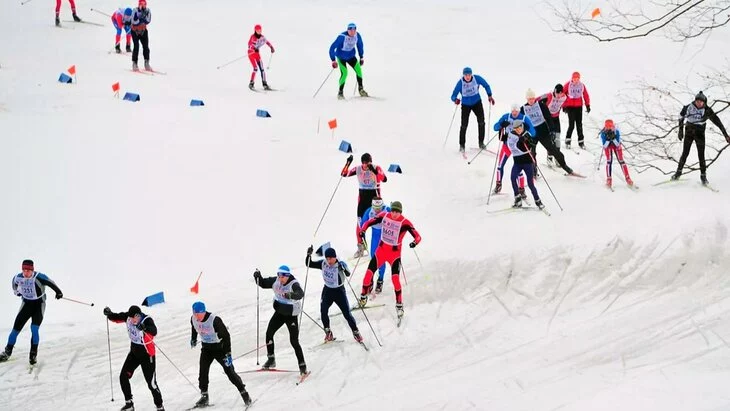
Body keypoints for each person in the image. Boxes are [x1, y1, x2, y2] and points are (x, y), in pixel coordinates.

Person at [357, 201, 421, 320]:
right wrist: (363, 230)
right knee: (367, 275)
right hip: (381, 252)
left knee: (395, 280)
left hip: (394, 255)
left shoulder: (404, 222)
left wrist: (414, 242)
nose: (394, 214)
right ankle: (363, 297)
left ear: (400, 212)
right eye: (393, 211)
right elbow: (369, 222)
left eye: (397, 212)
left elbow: (417, 236)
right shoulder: (385, 215)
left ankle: (399, 305)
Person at [190, 302, 252, 408]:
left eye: (198, 314)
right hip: (206, 348)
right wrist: (193, 339)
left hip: (220, 348)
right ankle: (204, 396)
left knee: (229, 371)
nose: (196, 317)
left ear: (204, 312)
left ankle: (244, 392)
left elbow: (227, 337)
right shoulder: (193, 319)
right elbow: (194, 328)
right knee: (203, 372)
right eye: (195, 314)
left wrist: (228, 354)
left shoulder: (215, 320)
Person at [0, 260, 63, 365]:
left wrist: (59, 292)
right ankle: (7, 352)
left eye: (28, 270)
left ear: (32, 270)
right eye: (24, 270)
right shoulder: (17, 278)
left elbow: (51, 282)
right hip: (26, 305)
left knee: (34, 329)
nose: (26, 273)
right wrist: (18, 293)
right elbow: (15, 288)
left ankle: (33, 354)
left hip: (39, 305)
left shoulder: (39, 277)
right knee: (15, 329)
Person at [103, 305, 164, 411]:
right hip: (134, 353)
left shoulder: (147, 319)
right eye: (130, 318)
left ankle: (160, 407)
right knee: (123, 376)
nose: (131, 320)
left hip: (147, 355)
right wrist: (109, 314)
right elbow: (117, 317)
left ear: (138, 315)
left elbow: (154, 331)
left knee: (151, 384)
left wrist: (145, 327)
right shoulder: (128, 317)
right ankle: (129, 404)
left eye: (133, 318)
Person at [253, 266, 307, 376]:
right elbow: (263, 283)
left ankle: (302, 366)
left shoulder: (293, 283)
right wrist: (257, 277)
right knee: (269, 334)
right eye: (279, 276)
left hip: (290, 314)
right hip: (279, 313)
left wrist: (290, 294)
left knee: (294, 341)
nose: (280, 279)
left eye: (282, 277)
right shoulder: (276, 281)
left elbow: (300, 294)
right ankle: (271, 359)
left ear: (287, 276)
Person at [305, 246, 363, 343]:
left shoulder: (340, 264)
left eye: (331, 258)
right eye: (327, 258)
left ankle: (355, 331)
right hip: (327, 291)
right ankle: (328, 332)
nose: (329, 261)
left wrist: (343, 268)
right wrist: (308, 255)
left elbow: (348, 273)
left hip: (339, 291)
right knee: (323, 311)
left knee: (347, 314)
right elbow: (309, 264)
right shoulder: (323, 263)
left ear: (335, 257)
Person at [672, 91, 730, 185]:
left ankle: (703, 176)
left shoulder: (707, 110)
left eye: (701, 102)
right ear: (695, 101)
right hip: (689, 131)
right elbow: (681, 117)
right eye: (697, 101)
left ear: (704, 102)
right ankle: (678, 173)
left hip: (700, 133)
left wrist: (726, 135)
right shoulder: (688, 107)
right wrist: (680, 130)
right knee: (685, 153)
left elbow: (717, 122)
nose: (698, 103)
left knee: (701, 155)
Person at [341, 153, 387, 256]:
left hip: (375, 199)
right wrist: (348, 163)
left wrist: (374, 170)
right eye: (365, 163)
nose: (367, 165)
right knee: (359, 224)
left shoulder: (376, 168)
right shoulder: (358, 169)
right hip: (362, 199)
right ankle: (361, 247)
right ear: (362, 163)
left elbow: (384, 179)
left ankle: (381, 246)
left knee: (378, 223)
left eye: (369, 163)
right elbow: (344, 174)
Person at [522, 88, 576, 176]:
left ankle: (565, 167)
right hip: (532, 134)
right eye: (529, 99)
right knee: (531, 153)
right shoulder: (523, 108)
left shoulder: (541, 105)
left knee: (554, 150)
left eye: (532, 98)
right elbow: (519, 121)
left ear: (534, 98)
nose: (531, 101)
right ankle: (533, 171)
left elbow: (548, 118)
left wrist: (552, 131)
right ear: (526, 99)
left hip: (543, 132)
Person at [451, 67, 496, 153]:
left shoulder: (476, 78)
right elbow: (453, 95)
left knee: (481, 122)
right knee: (464, 125)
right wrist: (455, 100)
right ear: (463, 75)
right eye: (466, 75)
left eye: (469, 75)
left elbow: (486, 85)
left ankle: (481, 142)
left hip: (477, 103)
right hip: (465, 105)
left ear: (471, 74)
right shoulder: (460, 83)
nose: (467, 77)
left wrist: (489, 95)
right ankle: (462, 145)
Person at [492, 104, 534, 195]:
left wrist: (526, 131)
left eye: (516, 111)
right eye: (513, 111)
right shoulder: (506, 117)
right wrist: (501, 125)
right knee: (499, 166)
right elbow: (495, 127)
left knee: (519, 170)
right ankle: (498, 184)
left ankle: (521, 189)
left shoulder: (524, 118)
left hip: (518, 148)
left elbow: (533, 132)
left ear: (519, 111)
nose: (514, 113)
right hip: (507, 145)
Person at [507, 120, 544, 209]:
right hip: (517, 163)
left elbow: (531, 145)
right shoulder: (511, 135)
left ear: (522, 127)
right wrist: (501, 129)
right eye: (516, 128)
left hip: (527, 163)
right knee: (512, 178)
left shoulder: (526, 134)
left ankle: (538, 201)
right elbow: (505, 140)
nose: (518, 130)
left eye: (520, 128)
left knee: (530, 184)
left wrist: (525, 141)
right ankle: (518, 199)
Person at [329, 22, 367, 99]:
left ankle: (361, 89)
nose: (352, 32)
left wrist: (361, 56)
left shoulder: (357, 35)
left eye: (354, 30)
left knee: (359, 70)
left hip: (351, 56)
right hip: (341, 57)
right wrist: (333, 60)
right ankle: (340, 93)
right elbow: (332, 48)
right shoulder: (342, 37)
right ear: (347, 30)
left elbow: (360, 45)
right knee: (345, 73)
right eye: (350, 30)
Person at [359, 197, 390, 292]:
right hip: (375, 237)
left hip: (385, 238)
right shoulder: (369, 211)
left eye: (379, 208)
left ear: (382, 205)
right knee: (373, 258)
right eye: (375, 208)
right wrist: (362, 231)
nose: (377, 210)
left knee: (382, 260)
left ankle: (380, 280)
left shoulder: (387, 209)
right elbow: (363, 223)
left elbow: (398, 219)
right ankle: (371, 280)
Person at [537, 84, 568, 165]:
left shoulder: (564, 97)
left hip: (556, 118)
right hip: (547, 119)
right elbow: (536, 100)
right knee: (551, 138)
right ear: (554, 91)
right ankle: (549, 156)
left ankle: (558, 157)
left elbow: (564, 103)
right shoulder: (548, 95)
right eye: (557, 93)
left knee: (557, 137)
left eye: (560, 94)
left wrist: (565, 107)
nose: (558, 95)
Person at [600, 119, 633, 188]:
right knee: (609, 161)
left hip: (616, 146)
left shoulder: (616, 131)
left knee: (621, 161)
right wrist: (608, 139)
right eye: (607, 128)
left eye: (610, 128)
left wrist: (613, 138)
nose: (609, 129)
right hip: (608, 146)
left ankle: (628, 178)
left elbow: (617, 144)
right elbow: (604, 146)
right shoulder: (603, 133)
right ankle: (609, 179)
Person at [563, 72, 591, 149]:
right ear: (572, 78)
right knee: (571, 125)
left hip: (579, 107)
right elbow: (562, 94)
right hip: (570, 107)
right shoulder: (568, 85)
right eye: (574, 78)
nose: (576, 80)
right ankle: (568, 141)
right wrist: (564, 106)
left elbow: (585, 95)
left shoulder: (582, 85)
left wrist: (587, 105)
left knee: (579, 125)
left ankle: (581, 142)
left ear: (579, 78)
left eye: (577, 78)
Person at [247, 24, 275, 90]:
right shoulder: (253, 37)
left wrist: (271, 47)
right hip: (251, 53)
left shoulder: (262, 37)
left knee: (262, 69)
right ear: (255, 30)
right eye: (257, 30)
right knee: (255, 68)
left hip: (257, 54)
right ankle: (251, 83)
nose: (259, 31)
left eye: (260, 30)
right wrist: (253, 48)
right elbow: (249, 45)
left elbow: (266, 42)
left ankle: (264, 84)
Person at [130, 0, 152, 72]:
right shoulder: (135, 10)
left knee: (146, 47)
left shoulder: (148, 10)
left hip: (143, 31)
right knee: (136, 46)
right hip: (135, 31)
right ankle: (134, 63)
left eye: (144, 4)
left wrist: (142, 20)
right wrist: (139, 19)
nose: (143, 5)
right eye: (141, 4)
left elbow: (148, 20)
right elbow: (133, 21)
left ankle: (146, 62)